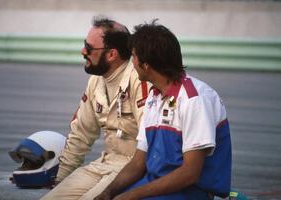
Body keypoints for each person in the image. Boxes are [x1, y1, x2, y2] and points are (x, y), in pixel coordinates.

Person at [95, 21, 232, 200]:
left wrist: (133, 195)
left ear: (146, 65)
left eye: (134, 56)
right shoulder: (154, 97)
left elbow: (190, 173)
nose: (132, 62)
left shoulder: (194, 99)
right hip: (158, 185)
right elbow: (138, 163)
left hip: (191, 192)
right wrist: (108, 192)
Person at [40, 16, 150, 200]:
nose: (83, 51)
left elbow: (151, 141)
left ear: (112, 54)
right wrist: (59, 180)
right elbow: (80, 136)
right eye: (85, 44)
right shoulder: (95, 82)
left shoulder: (139, 80)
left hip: (134, 169)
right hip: (104, 164)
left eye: (89, 48)